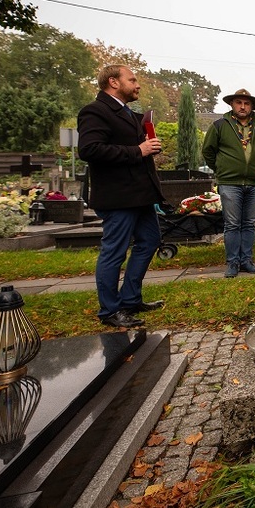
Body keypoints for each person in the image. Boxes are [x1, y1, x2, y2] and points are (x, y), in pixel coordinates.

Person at [77, 65, 165, 328]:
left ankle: (130, 299)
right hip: (118, 197)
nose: (137, 85)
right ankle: (109, 310)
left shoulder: (129, 113)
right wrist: (138, 150)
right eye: (132, 80)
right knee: (114, 252)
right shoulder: (95, 110)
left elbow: (137, 150)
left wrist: (148, 148)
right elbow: (90, 149)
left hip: (140, 195)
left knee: (150, 241)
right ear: (113, 82)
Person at [202, 88, 255, 278]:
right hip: (230, 182)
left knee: (249, 223)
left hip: (254, 183)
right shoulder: (219, 125)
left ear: (252, 107)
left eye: (246, 103)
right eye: (239, 102)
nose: (242, 106)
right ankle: (232, 263)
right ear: (232, 105)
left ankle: (246, 261)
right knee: (232, 224)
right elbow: (208, 151)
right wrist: (222, 169)